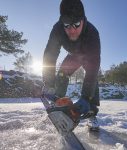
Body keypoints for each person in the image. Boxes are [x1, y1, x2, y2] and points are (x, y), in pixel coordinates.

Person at [42, 0, 101, 130]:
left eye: (76, 24)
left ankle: (91, 113)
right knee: (62, 73)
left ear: (83, 20)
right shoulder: (57, 29)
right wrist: (49, 83)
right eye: (67, 25)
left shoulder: (92, 34)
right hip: (73, 55)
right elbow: (50, 56)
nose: (72, 30)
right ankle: (59, 104)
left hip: (88, 55)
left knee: (92, 76)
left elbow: (93, 68)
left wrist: (86, 97)